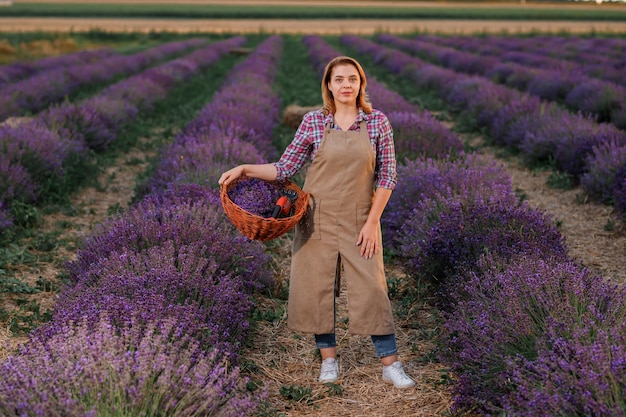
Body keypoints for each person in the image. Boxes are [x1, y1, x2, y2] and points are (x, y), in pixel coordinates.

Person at [218, 56, 415, 389]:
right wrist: (245, 169)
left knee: (373, 290)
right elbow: (284, 168)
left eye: (352, 79)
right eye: (338, 79)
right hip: (316, 217)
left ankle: (390, 364)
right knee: (316, 288)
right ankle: (329, 361)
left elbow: (388, 176)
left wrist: (371, 223)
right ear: (328, 85)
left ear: (361, 84)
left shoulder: (377, 122)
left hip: (360, 219)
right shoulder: (313, 122)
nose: (346, 85)